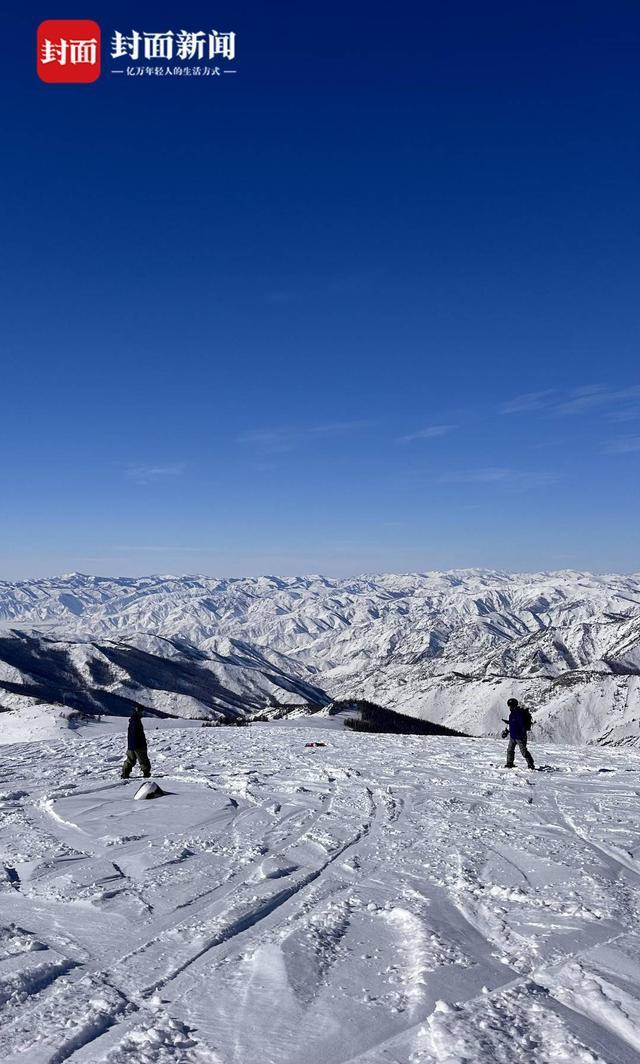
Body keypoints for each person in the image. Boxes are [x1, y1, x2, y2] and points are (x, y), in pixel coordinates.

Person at [501, 697, 535, 770]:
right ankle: (509, 763)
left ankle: (531, 764)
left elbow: (522, 725)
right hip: (513, 736)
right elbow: (511, 724)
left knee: (523, 751)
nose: (509, 707)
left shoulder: (519, 713)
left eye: (510, 705)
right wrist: (506, 732)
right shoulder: (512, 714)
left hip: (520, 736)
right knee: (510, 750)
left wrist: (522, 735)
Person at [121, 707, 151, 779]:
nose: (142, 713)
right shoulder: (136, 721)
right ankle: (146, 773)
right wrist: (140, 743)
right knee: (143, 759)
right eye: (141, 711)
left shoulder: (133, 720)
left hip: (131, 745)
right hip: (138, 745)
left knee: (130, 760)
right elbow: (136, 734)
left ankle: (125, 773)